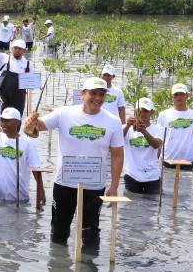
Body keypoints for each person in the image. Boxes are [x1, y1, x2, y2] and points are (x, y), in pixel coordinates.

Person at [23, 77, 124, 249]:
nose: (97, 98)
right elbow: (39, 126)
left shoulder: (113, 121)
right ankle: (58, 270)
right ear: (83, 94)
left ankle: (89, 270)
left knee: (90, 233)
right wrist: (30, 122)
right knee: (59, 231)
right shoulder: (64, 113)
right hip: (64, 183)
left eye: (101, 94)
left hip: (94, 186)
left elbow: (117, 155)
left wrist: (114, 186)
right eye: (93, 93)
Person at [157, 83, 193, 169]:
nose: (179, 97)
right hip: (167, 159)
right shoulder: (163, 115)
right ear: (172, 96)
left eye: (182, 94)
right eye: (176, 94)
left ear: (187, 96)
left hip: (187, 161)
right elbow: (159, 138)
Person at [123, 98, 164, 194]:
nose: (142, 113)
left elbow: (156, 145)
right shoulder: (125, 128)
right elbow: (116, 142)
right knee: (132, 205)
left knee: (151, 205)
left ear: (152, 112)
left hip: (152, 175)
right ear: (135, 111)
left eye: (146, 111)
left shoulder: (158, 129)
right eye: (139, 111)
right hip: (132, 174)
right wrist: (128, 126)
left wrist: (144, 131)